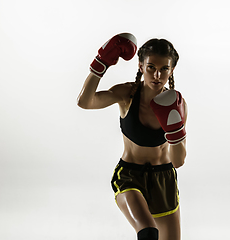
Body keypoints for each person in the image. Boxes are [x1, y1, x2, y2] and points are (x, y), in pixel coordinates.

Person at [77, 33, 187, 240]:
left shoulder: (178, 105)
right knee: (148, 232)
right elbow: (85, 102)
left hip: (164, 179)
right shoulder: (127, 94)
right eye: (151, 67)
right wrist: (101, 63)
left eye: (164, 69)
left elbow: (178, 161)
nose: (157, 75)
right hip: (130, 176)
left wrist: (176, 132)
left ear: (172, 70)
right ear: (140, 66)